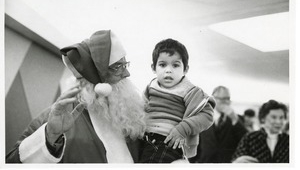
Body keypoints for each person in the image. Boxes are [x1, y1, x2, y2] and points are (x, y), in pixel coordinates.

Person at [6, 30, 146, 163]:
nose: (127, 73)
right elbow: (12, 163)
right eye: (117, 67)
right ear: (95, 79)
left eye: (125, 64)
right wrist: (50, 136)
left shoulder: (131, 116)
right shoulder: (56, 118)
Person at [139, 38, 216, 163]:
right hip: (144, 139)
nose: (168, 70)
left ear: (185, 69)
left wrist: (183, 129)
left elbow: (207, 115)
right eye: (163, 65)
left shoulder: (189, 90)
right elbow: (141, 107)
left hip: (168, 141)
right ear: (154, 68)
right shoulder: (151, 86)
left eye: (175, 65)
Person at [189, 86, 247, 163]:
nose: (226, 102)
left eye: (228, 99)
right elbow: (195, 145)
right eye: (223, 99)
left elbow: (246, 140)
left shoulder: (237, 119)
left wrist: (234, 119)